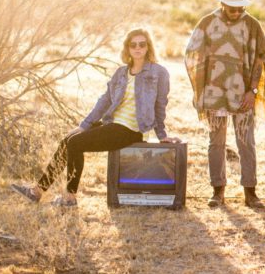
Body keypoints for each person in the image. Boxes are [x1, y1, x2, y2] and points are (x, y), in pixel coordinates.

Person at [11, 28, 174, 206]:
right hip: (113, 124)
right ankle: (37, 191)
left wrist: (162, 135)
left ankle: (70, 197)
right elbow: (105, 101)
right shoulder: (121, 73)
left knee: (75, 144)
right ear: (127, 48)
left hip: (131, 130)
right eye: (133, 44)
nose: (137, 48)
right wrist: (85, 125)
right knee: (69, 139)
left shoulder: (159, 73)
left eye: (142, 44)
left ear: (148, 47)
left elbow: (160, 105)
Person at [185, 0, 265, 208]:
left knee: (246, 142)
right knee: (216, 142)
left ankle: (250, 193)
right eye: (231, 8)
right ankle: (218, 191)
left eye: (240, 8)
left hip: (243, 93)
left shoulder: (252, 25)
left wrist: (253, 91)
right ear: (222, 4)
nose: (236, 12)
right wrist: (202, 87)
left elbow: (261, 59)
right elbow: (192, 53)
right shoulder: (207, 22)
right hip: (214, 93)